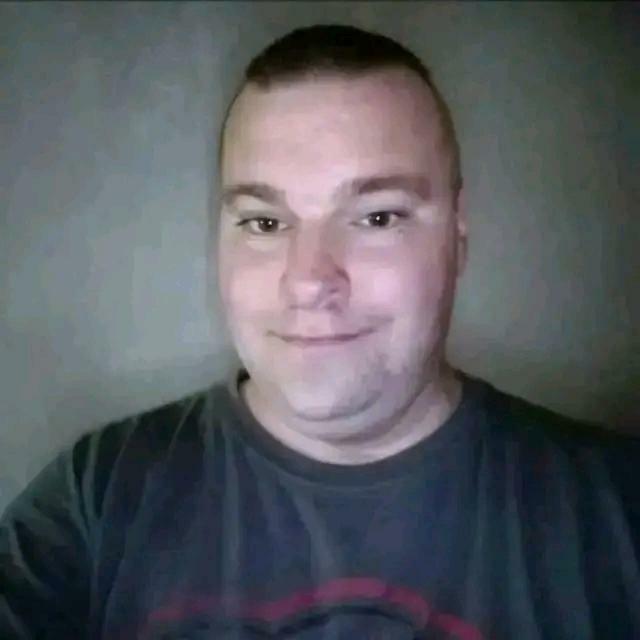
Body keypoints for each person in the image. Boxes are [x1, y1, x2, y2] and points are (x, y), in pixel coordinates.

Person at [1, 24, 638, 640]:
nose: (308, 281)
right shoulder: (96, 498)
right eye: (264, 223)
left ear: (458, 230)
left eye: (377, 217)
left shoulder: (616, 513)